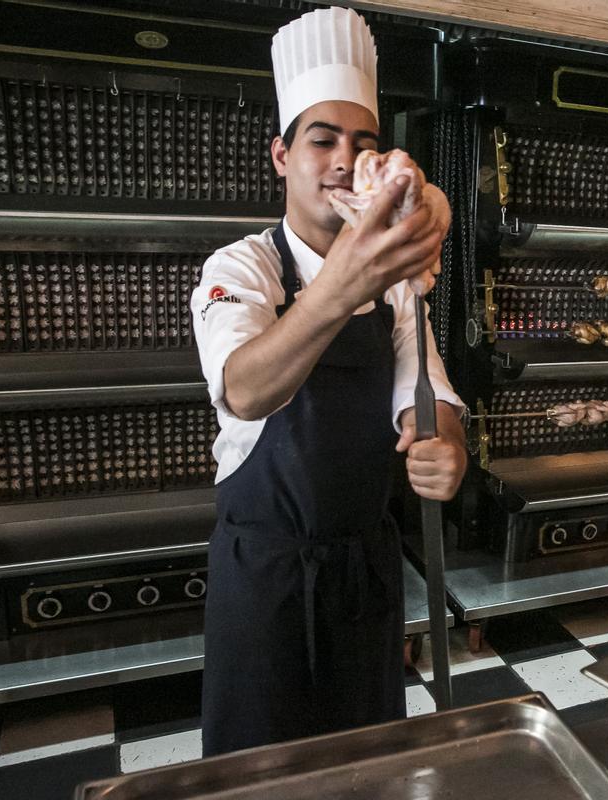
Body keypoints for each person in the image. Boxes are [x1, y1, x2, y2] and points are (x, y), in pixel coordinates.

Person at [190, 6, 466, 757]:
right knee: (261, 772)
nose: (345, 161)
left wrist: (446, 445)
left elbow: (429, 393)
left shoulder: (399, 286)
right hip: (264, 579)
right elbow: (246, 388)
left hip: (364, 575)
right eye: (322, 141)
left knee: (366, 766)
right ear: (281, 155)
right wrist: (344, 282)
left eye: (363, 143)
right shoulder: (238, 269)